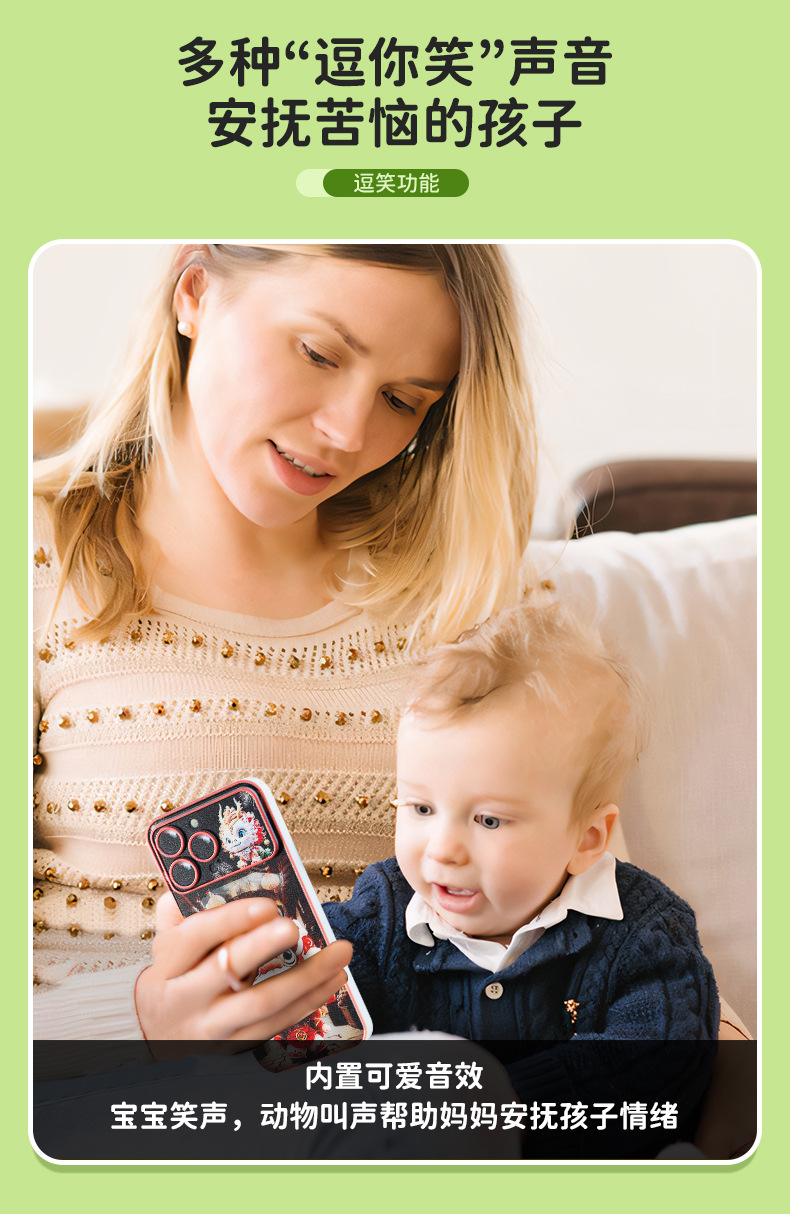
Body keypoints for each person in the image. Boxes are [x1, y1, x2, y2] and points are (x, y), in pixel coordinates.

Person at [32, 242, 536, 1042]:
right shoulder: (36, 563)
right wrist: (143, 1026)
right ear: (195, 293)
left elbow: (598, 921)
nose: (346, 432)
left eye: (402, 400)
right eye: (319, 354)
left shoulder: (470, 595)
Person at [321, 601, 720, 1149]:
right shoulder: (385, 912)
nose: (442, 849)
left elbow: (661, 1064)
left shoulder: (644, 932)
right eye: (420, 808)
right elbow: (316, 1000)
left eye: (488, 820)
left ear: (587, 839)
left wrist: (498, 1107)